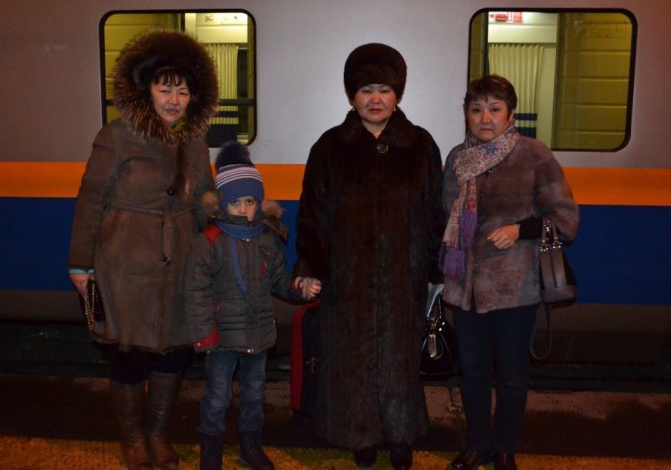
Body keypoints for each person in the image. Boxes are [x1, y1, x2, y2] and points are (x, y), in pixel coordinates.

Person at [67, 29, 218, 470]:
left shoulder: (195, 139)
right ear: (145, 88)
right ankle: (133, 440)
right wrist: (80, 265)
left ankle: (157, 435)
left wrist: (225, 239)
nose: (174, 100)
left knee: (174, 352)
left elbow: (204, 201)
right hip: (123, 265)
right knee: (127, 354)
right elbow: (90, 202)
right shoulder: (115, 136)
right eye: (164, 88)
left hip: (181, 262)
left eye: (183, 91)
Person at [292, 43, 445, 470]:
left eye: (384, 90)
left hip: (403, 277)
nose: (375, 99)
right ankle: (360, 435)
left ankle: (400, 436)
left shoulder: (420, 146)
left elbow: (436, 213)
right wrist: (311, 267)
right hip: (348, 278)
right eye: (365, 90)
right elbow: (313, 214)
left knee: (399, 360)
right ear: (351, 96)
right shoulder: (329, 147)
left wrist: (435, 268)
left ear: (397, 94)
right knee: (353, 361)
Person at [441, 75, 579, 470]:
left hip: (515, 288)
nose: (485, 118)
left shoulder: (534, 156)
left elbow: (566, 220)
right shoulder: (457, 158)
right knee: (472, 374)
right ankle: (477, 446)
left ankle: (504, 448)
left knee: (512, 376)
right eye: (476, 109)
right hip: (465, 288)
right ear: (466, 114)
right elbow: (444, 217)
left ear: (511, 114)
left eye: (494, 109)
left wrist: (522, 229)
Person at [185, 141, 321, 470]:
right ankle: (210, 452)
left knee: (254, 395)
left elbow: (279, 281)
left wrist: (300, 287)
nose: (244, 209)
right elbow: (196, 290)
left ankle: (250, 446)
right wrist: (205, 335)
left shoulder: (266, 238)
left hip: (258, 337)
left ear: (259, 202)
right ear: (223, 204)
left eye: (250, 201)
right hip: (221, 340)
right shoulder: (210, 241)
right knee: (217, 397)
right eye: (236, 202)